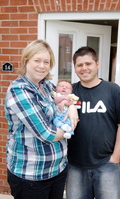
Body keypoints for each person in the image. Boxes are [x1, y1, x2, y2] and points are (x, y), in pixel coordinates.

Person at [4, 39, 78, 199]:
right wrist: (68, 129)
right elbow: (46, 133)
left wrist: (72, 108)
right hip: (31, 174)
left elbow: (65, 99)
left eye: (46, 61)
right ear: (26, 61)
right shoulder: (19, 91)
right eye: (37, 60)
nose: (42, 66)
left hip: (57, 169)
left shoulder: (46, 85)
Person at [66, 46, 120, 199]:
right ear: (75, 68)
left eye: (88, 63)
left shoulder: (113, 90)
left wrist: (115, 157)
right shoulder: (70, 93)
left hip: (106, 164)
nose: (84, 68)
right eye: (79, 65)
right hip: (75, 165)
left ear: (97, 64)